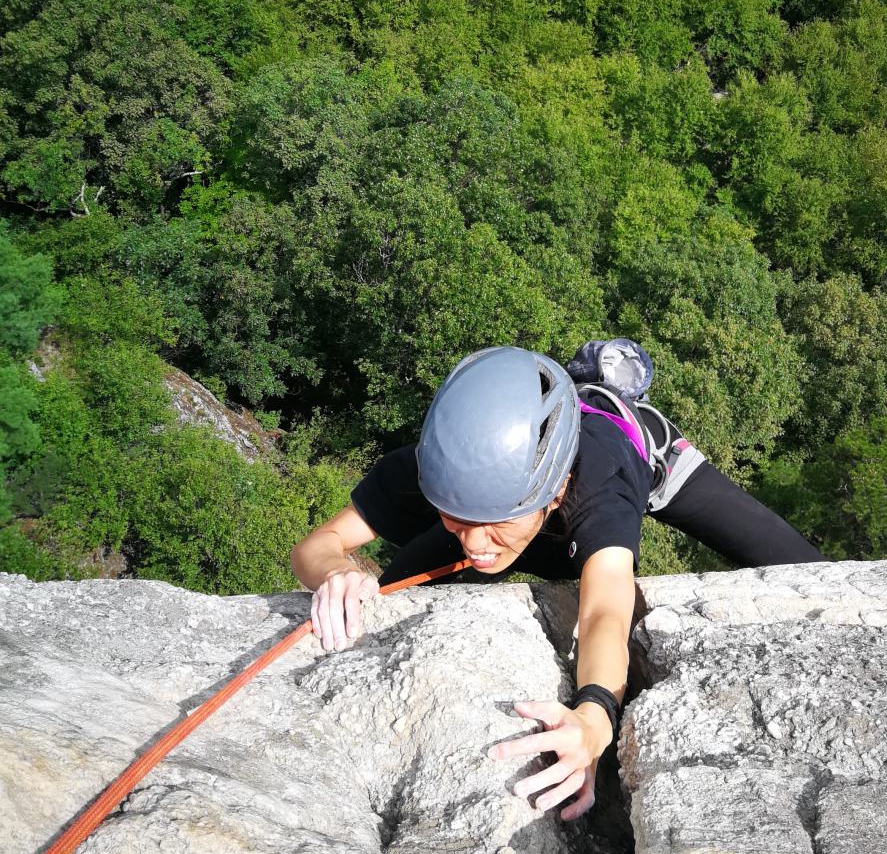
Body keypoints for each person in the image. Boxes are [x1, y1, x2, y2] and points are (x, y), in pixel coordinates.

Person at [290, 345, 824, 821]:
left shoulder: (600, 486)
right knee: (391, 594)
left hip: (643, 456)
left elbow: (604, 611)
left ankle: (613, 395)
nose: (474, 543)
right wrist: (341, 574)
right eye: (455, 517)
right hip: (533, 507)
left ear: (555, 488)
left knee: (806, 570)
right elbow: (315, 548)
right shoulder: (438, 473)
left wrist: (593, 716)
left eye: (494, 522)